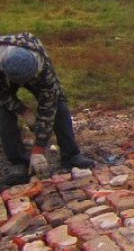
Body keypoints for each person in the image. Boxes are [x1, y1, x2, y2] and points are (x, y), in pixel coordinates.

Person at [0, 33, 95, 185]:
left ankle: (71, 155)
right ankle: (18, 162)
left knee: (59, 103)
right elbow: (3, 96)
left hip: (34, 71)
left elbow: (48, 105)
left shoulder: (42, 65)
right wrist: (24, 111)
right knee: (3, 113)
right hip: (4, 79)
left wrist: (39, 149)